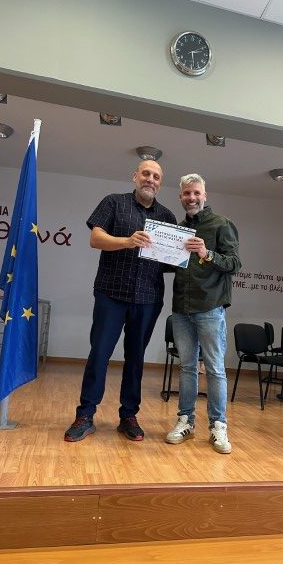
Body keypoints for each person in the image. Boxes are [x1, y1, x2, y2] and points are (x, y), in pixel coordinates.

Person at [65, 160, 177, 443]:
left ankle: (129, 416)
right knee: (99, 354)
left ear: (160, 183)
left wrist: (183, 254)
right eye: (146, 174)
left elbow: (169, 262)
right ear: (135, 176)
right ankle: (85, 415)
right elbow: (96, 239)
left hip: (148, 298)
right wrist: (127, 241)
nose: (150, 179)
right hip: (110, 293)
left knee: (136, 359)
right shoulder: (113, 202)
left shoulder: (167, 216)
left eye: (156, 176)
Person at [165, 174, 241, 454]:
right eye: (187, 193)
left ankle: (218, 426)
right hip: (181, 308)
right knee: (187, 367)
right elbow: (171, 264)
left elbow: (235, 264)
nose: (192, 198)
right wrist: (153, 249)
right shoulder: (178, 229)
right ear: (181, 197)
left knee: (215, 369)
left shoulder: (222, 224)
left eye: (196, 193)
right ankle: (185, 421)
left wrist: (207, 253)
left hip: (210, 307)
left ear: (205, 195)